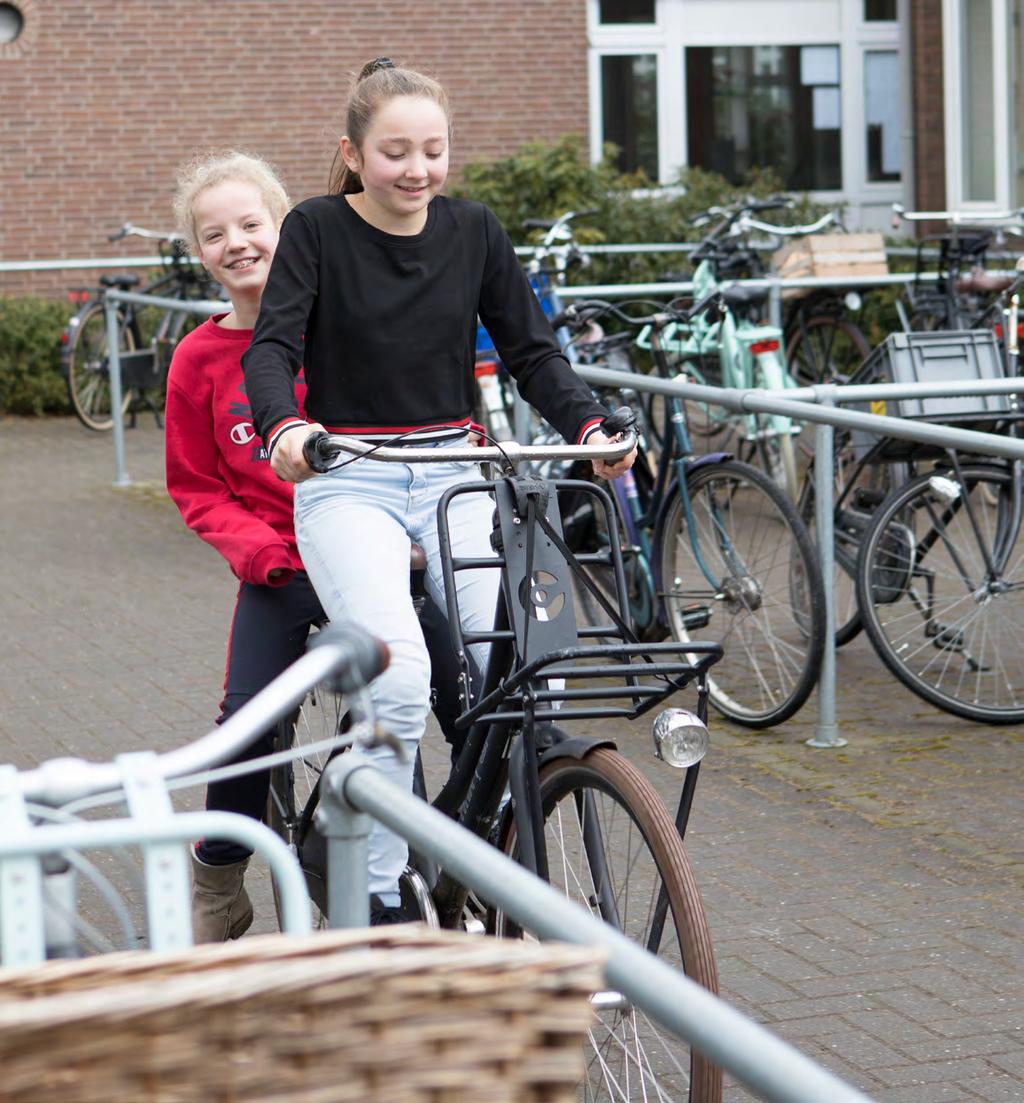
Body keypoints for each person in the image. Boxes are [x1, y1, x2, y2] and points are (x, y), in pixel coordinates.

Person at [241, 58, 636, 922]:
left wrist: (592, 426)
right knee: (401, 673)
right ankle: (379, 893)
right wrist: (286, 430)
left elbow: (533, 351)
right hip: (353, 483)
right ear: (353, 153)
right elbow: (271, 349)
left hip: (457, 474)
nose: (416, 169)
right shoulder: (314, 228)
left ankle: (478, 839)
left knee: (528, 670)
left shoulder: (475, 230)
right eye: (394, 152)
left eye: (432, 150)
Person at [165, 149, 467, 941]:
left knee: (464, 686)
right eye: (213, 233)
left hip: (382, 560)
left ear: (286, 230)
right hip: (280, 568)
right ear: (198, 252)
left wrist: (412, 531)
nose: (236, 243)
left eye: (252, 224)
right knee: (247, 722)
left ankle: (480, 867)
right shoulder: (198, 360)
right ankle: (219, 875)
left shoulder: (344, 328)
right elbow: (196, 487)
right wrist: (262, 554)